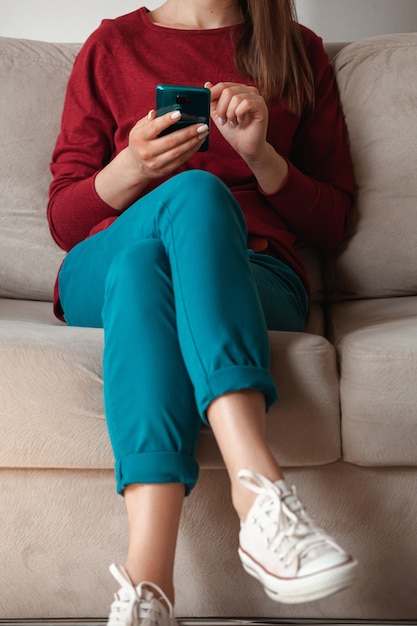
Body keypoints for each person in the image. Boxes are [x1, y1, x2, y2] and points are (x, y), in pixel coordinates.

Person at [47, 0, 358, 624]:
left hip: (253, 274)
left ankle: (148, 589)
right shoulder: (112, 46)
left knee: (148, 271)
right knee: (179, 203)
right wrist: (132, 167)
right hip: (102, 265)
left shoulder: (297, 48)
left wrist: (260, 153)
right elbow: (65, 219)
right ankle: (261, 494)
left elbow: (332, 220)